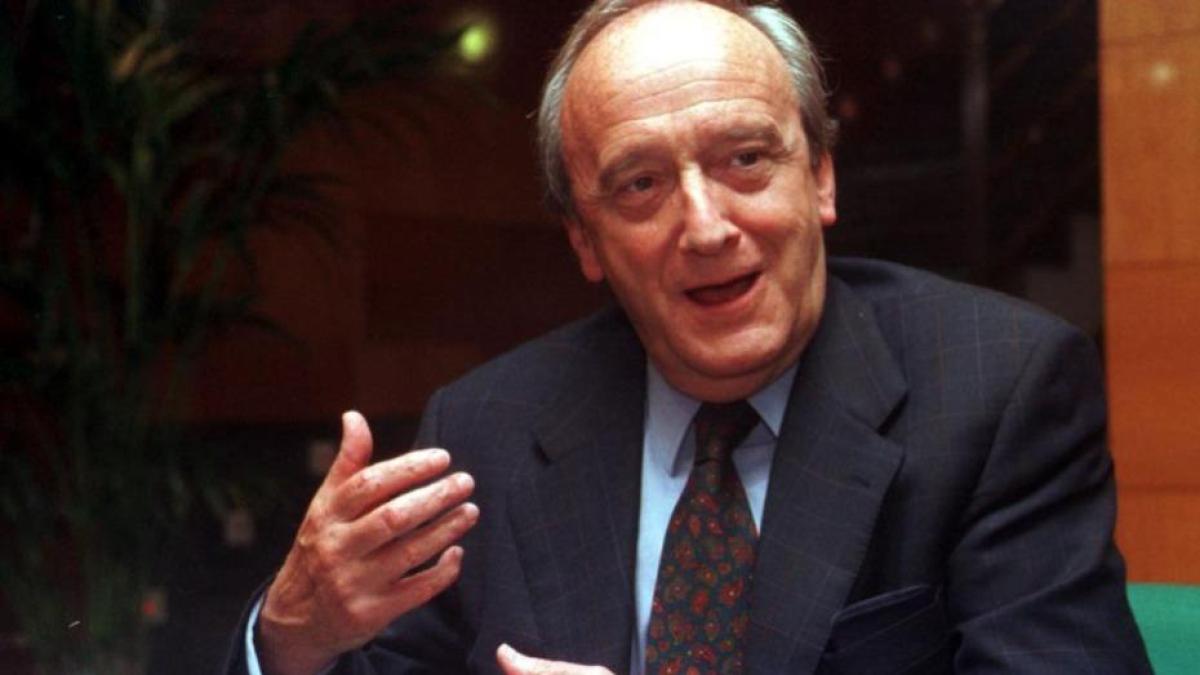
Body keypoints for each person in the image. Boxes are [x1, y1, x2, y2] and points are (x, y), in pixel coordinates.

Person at [225, 1, 1151, 673]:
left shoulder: (998, 389)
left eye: (745, 159)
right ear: (585, 241)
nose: (705, 227)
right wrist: (293, 635)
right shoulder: (487, 427)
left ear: (820, 179)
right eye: (640, 184)